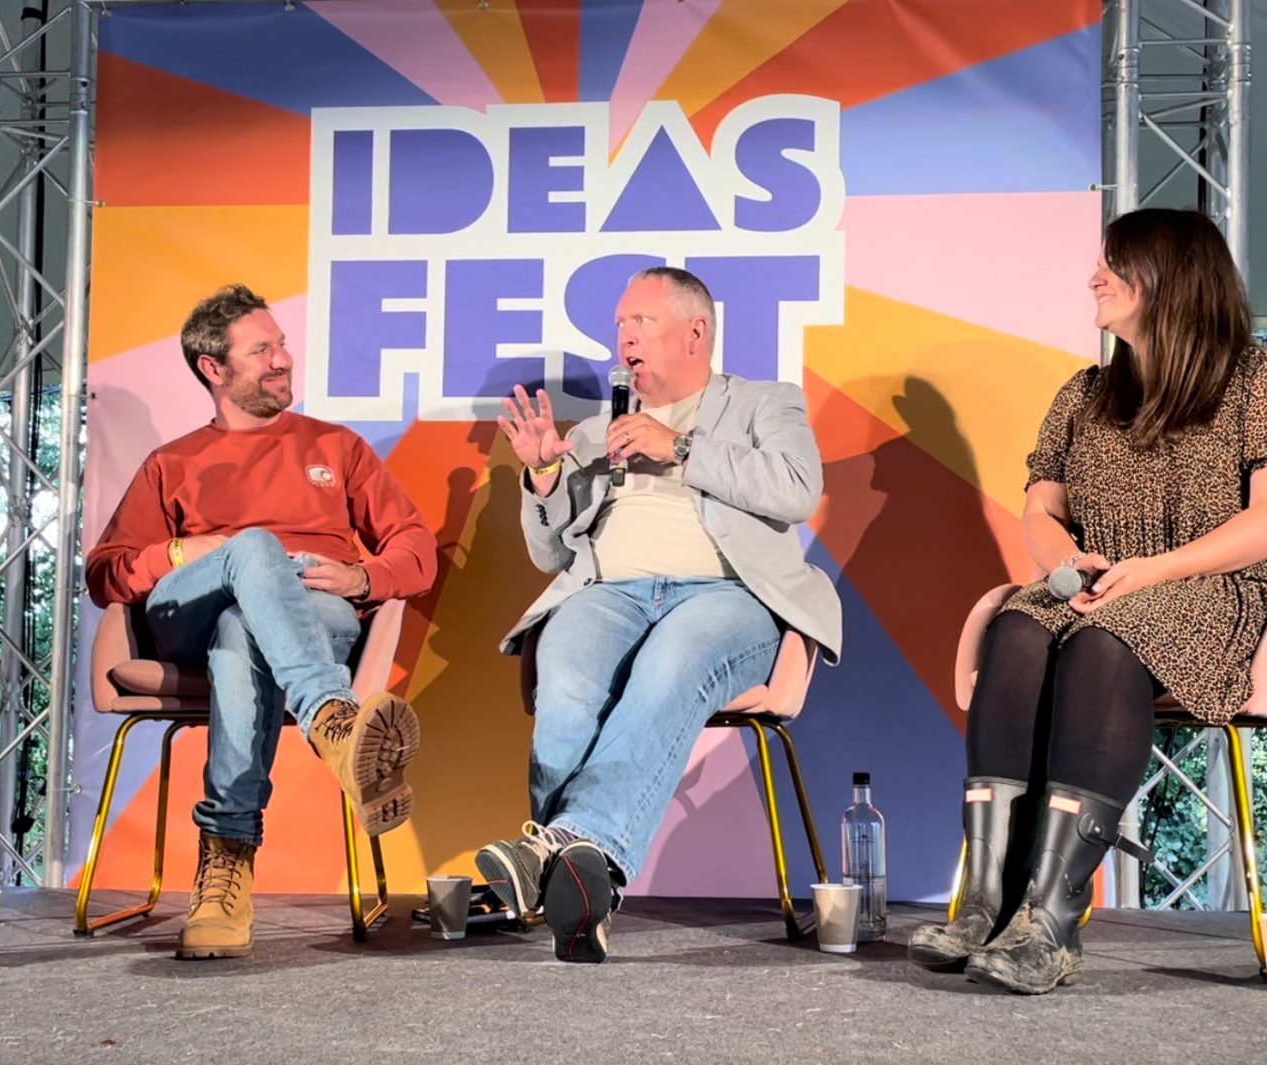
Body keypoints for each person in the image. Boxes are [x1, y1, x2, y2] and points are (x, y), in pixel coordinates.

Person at [908, 208, 1267, 994]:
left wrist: (1157, 569)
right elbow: (1041, 510)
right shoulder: (1087, 392)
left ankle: (1052, 921)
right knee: (1019, 626)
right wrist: (1066, 564)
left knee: (1105, 640)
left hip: (1221, 589)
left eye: (1113, 264)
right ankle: (989, 907)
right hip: (1106, 586)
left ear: (1168, 278)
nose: (1094, 278)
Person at [480, 266, 842, 963]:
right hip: (609, 592)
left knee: (671, 662)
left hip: (727, 594)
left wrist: (678, 447)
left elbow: (797, 490)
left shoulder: (765, 403)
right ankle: (582, 892)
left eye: (639, 324)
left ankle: (559, 847)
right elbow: (551, 552)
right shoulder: (597, 430)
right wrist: (544, 478)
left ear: (695, 333)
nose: (623, 340)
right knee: (565, 672)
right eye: (619, 327)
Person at [86, 284, 437, 960]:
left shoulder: (337, 447)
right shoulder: (171, 463)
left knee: (240, 629)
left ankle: (225, 868)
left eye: (281, 344)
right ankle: (333, 720)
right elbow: (106, 573)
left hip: (310, 609)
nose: (283, 359)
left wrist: (365, 578)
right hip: (187, 611)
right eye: (261, 350)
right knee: (250, 551)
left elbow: (415, 548)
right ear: (213, 368)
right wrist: (189, 553)